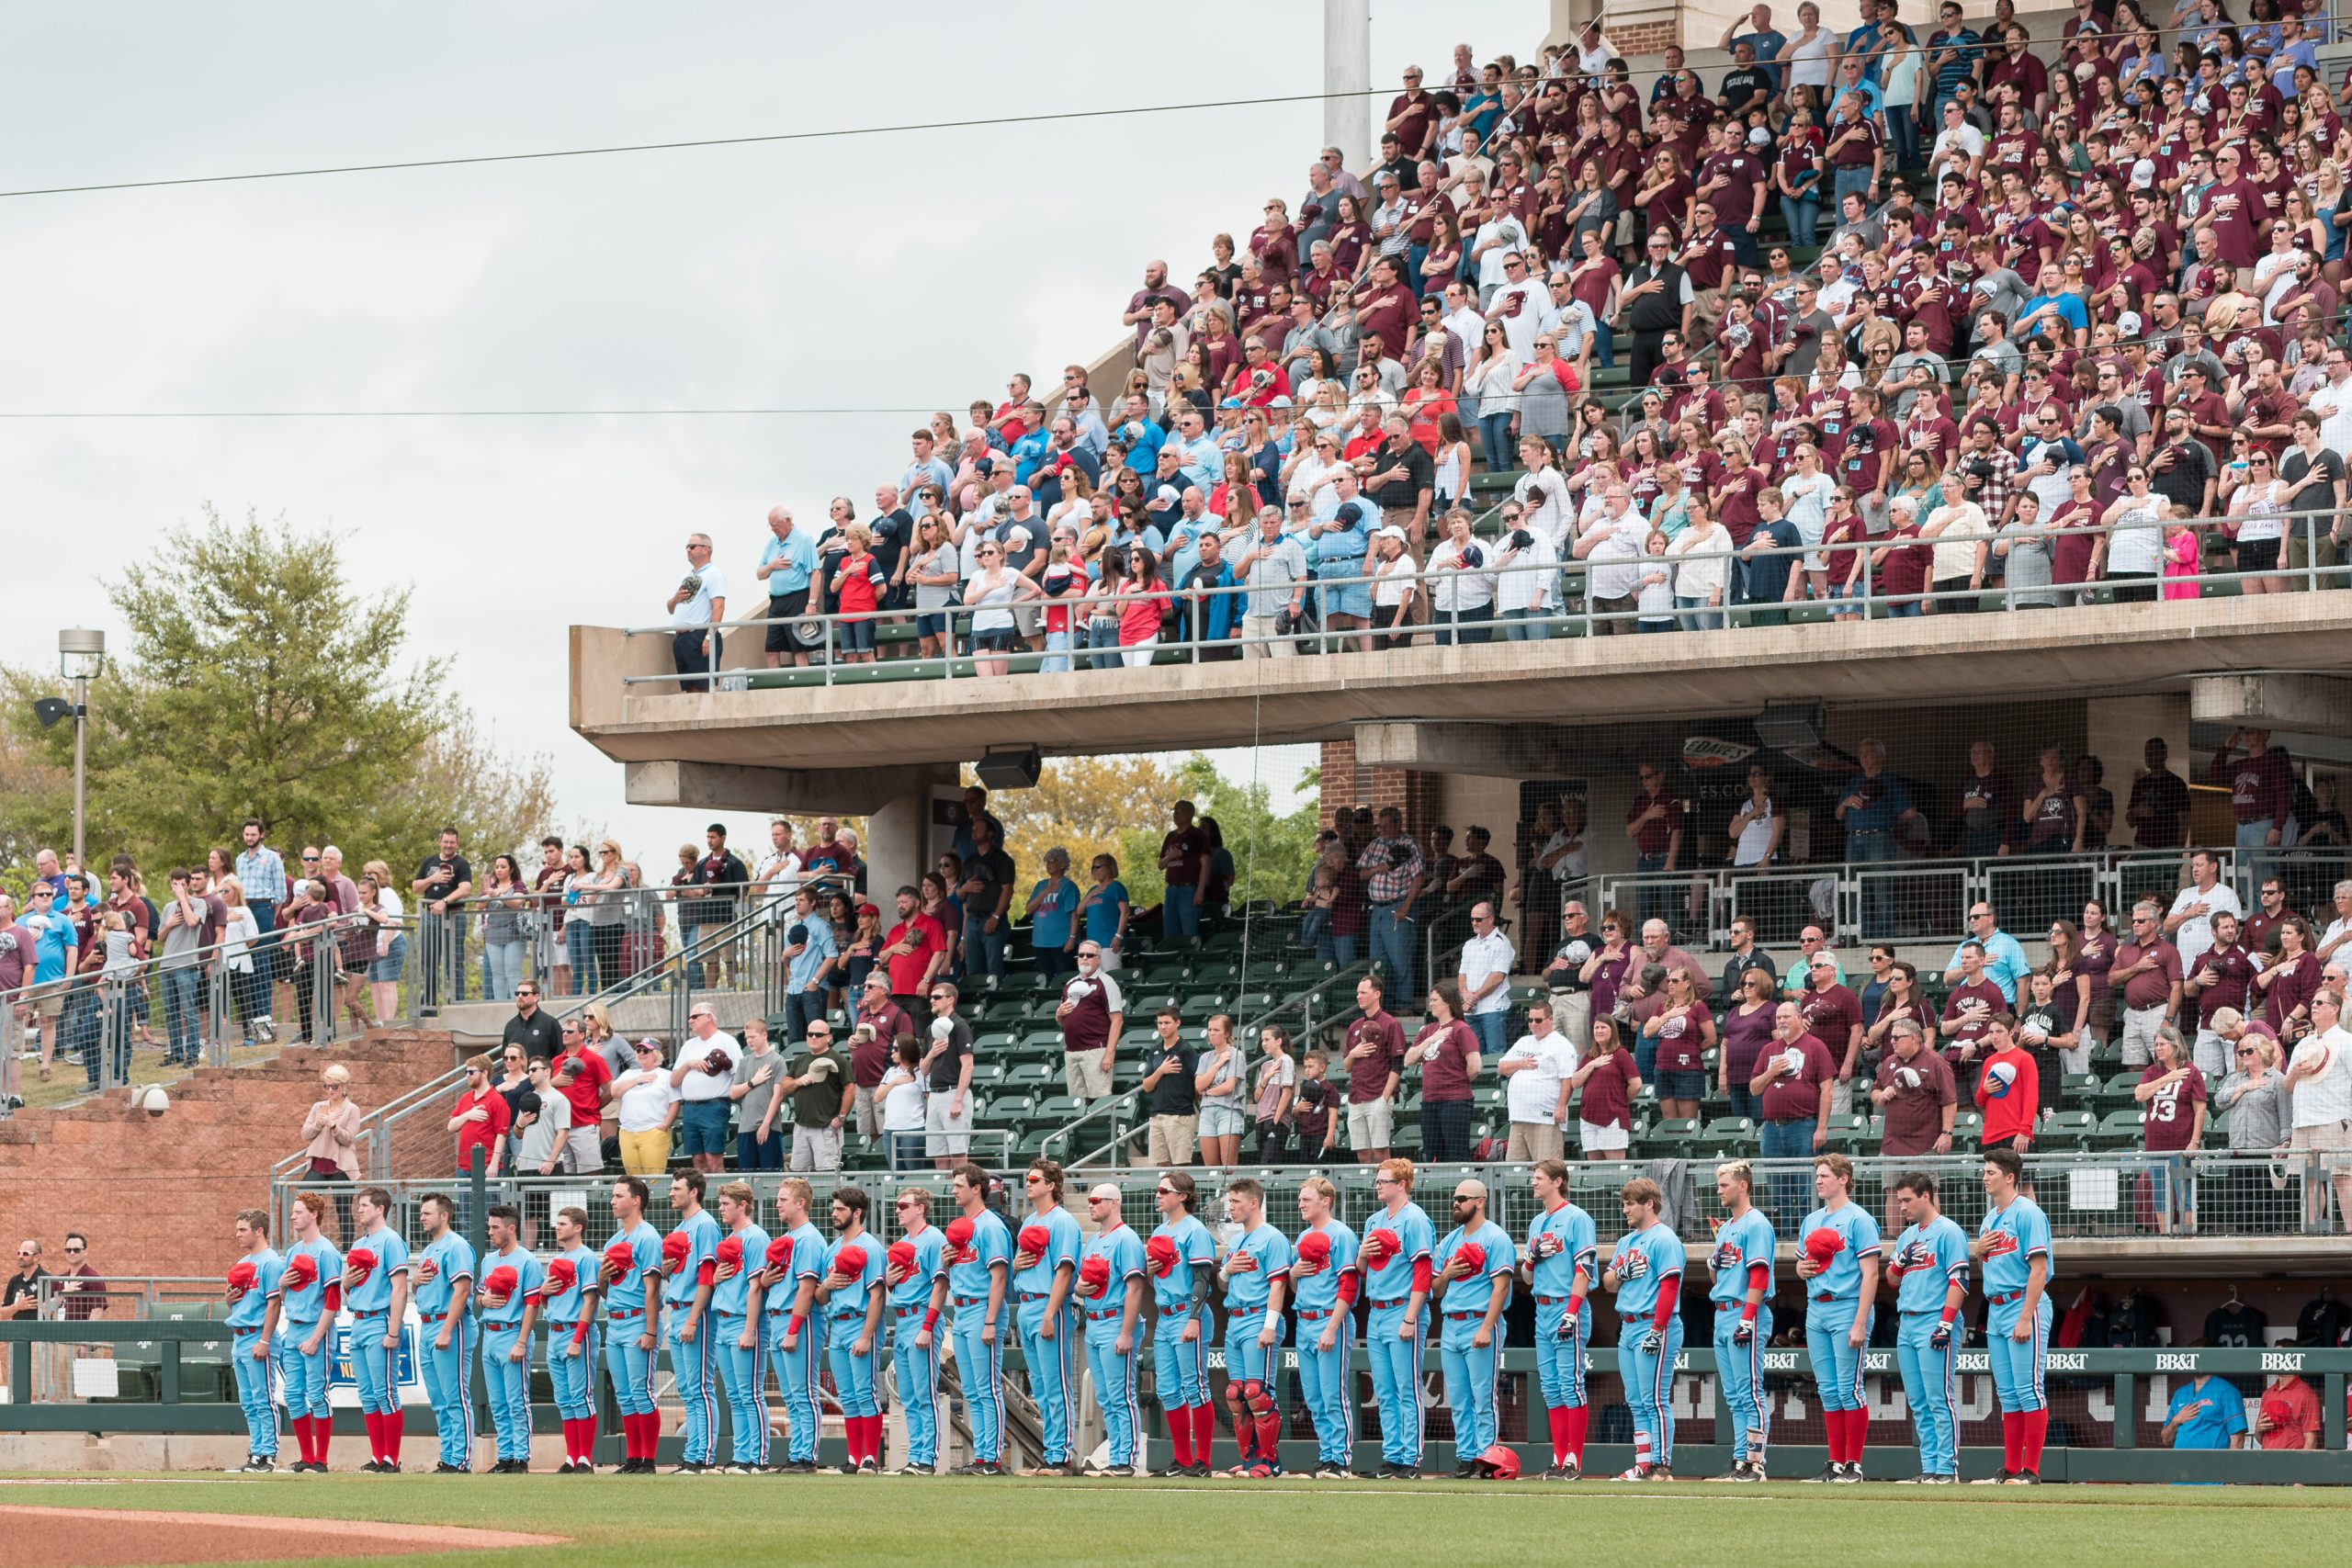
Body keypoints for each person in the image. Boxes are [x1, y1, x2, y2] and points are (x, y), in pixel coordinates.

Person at [1795, 1153, 1883, 1483]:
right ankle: (1834, 1463)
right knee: (1828, 1390)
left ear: (1843, 1178)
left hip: (1847, 1304)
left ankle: (1853, 1465)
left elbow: (1871, 1274)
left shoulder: (1859, 1219)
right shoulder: (1812, 1219)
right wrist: (1801, 1269)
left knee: (1850, 1389)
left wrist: (1860, 1320)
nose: (1819, 1180)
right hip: (1817, 1305)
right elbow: (1803, 1264)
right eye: (1817, 1175)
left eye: (1825, 1175)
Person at [1971, 1145, 2054, 1483]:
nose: (1985, 1177)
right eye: (1984, 1171)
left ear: (2009, 1177)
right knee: (2007, 1394)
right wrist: (1977, 1252)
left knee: (2028, 1389)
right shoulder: (1990, 1218)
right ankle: (2009, 1469)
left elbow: (2039, 1269)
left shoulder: (2028, 1212)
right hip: (1996, 1307)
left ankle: (2030, 1470)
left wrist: (2025, 1316)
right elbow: (1987, 1265)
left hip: (2024, 1304)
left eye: (1991, 1172)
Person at [1887, 1170, 1969, 1485]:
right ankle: (1929, 1467)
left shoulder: (1948, 1231)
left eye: (1907, 1200)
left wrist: (1946, 1323)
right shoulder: (1907, 1236)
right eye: (1899, 1201)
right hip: (1907, 1320)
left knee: (1938, 1397)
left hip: (1935, 1317)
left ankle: (1947, 1469)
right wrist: (1901, 1260)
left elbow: (1959, 1281)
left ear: (1926, 1196)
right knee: (1918, 1400)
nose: (1902, 1207)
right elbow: (1892, 1280)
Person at [1519, 1159, 1598, 1480]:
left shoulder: (1577, 1218)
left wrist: (1571, 1312)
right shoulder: (1537, 1221)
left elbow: (1585, 1269)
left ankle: (1573, 1462)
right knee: (1550, 1388)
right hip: (1542, 1306)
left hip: (1568, 1306)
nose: (1534, 1183)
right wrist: (1532, 1257)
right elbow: (1525, 1276)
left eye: (1539, 1178)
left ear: (1558, 1181)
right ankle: (1558, 1456)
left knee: (1570, 1385)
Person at [1605, 1176, 1687, 1483]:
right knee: (1635, 1400)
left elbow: (1669, 1287)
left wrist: (1658, 1328)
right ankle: (1643, 1464)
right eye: (1624, 1203)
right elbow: (1608, 1283)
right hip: (1627, 1326)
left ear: (1648, 1204)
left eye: (1630, 1204)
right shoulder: (1626, 1242)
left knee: (1654, 1399)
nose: (1625, 1209)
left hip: (1653, 1323)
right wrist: (1622, 1273)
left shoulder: (1663, 1238)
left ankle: (1661, 1465)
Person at [1432, 1178, 1515, 1479]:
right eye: (1455, 1198)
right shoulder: (1450, 1240)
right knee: (1458, 1397)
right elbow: (1436, 1288)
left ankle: (1487, 1458)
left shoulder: (1495, 1237)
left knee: (1483, 1396)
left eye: (1463, 1198)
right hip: (1451, 1323)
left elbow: (1502, 1286)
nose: (1456, 1203)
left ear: (1480, 1201)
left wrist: (1486, 1327)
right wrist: (1447, 1274)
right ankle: (1466, 1457)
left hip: (1480, 1321)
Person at [1360, 1156, 1436, 1479]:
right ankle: (1392, 1456)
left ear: (1401, 1184)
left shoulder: (1415, 1219)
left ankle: (1411, 1458)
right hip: (1376, 1310)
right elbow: (1361, 1271)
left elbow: (1423, 1272)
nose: (1378, 1185)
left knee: (1407, 1387)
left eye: (1384, 1181)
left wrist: (1410, 1317)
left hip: (1403, 1308)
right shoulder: (1374, 1220)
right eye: (1377, 1181)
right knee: (1385, 1389)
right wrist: (1362, 1253)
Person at [1213, 1178, 1294, 1479]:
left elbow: (1278, 1284)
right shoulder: (1236, 1241)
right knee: (1236, 1394)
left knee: (1257, 1392)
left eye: (1235, 1202)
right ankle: (1248, 1460)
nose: (1230, 1208)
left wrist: (1270, 1325)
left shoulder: (1272, 1238)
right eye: (1229, 1202)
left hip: (1259, 1317)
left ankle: (1269, 1461)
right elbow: (1223, 1283)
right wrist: (1226, 1269)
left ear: (1253, 1203)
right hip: (1235, 1317)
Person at [1283, 1175, 1360, 1480]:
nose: (1300, 1203)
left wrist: (1332, 1327)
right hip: (1304, 1320)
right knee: (1313, 1396)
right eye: (1300, 1199)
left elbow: (1349, 1285)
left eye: (1306, 1199)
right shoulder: (1302, 1238)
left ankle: (1341, 1459)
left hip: (1330, 1319)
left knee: (1333, 1393)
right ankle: (1327, 1455)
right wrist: (1293, 1272)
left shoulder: (1341, 1235)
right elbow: (1293, 1284)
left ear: (1325, 1201)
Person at [1068, 1182, 1147, 1478]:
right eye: (1088, 1200)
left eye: (1096, 1200)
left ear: (1114, 1203)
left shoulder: (1126, 1239)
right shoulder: (1094, 1242)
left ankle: (1127, 1459)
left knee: (1121, 1394)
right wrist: (1077, 1287)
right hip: (1095, 1321)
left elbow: (1135, 1288)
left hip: (1116, 1321)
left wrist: (1126, 1333)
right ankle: (1116, 1456)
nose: (1090, 1205)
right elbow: (1079, 1281)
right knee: (1104, 1396)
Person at [1144, 1171, 1218, 1477]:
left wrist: (1194, 1319)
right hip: (1164, 1315)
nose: (1159, 1194)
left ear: (1183, 1196)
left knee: (1195, 1385)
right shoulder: (1161, 1229)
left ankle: (1203, 1461)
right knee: (1168, 1390)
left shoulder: (1195, 1230)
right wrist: (1150, 1269)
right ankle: (1182, 1459)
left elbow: (1202, 1277)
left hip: (1188, 1312)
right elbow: (1159, 1277)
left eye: (1165, 1190)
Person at [1012, 1160, 1084, 1474]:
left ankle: (1061, 1455)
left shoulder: (1063, 1221)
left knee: (1057, 1385)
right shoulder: (1028, 1221)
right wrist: (1015, 1264)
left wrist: (1050, 1314)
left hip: (1049, 1304)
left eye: (1034, 1179)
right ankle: (1050, 1453)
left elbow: (1065, 1271)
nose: (1028, 1184)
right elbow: (1021, 1266)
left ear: (1051, 1185)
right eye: (1027, 1179)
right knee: (1039, 1387)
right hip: (1027, 1302)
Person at [816, 1186, 888, 1475]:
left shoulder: (870, 1246)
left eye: (840, 1209)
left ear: (856, 1212)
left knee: (864, 1391)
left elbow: (878, 1295)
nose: (834, 1213)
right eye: (833, 1209)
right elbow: (820, 1298)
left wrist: (866, 1336)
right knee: (847, 1395)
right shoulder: (832, 1250)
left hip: (860, 1321)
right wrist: (826, 1286)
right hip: (838, 1324)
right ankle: (854, 1457)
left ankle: (870, 1456)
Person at [760, 1179, 830, 1474]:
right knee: (790, 1396)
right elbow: (770, 1280)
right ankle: (796, 1453)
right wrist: (764, 1281)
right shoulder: (788, 1236)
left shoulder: (809, 1238)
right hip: (778, 1316)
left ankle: (807, 1457)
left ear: (801, 1203)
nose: (778, 1204)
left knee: (804, 1393)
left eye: (783, 1199)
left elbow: (806, 1289)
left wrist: (793, 1330)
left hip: (799, 1319)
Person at [702, 1182, 772, 1474]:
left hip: (745, 1320)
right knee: (734, 1395)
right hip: (724, 1319)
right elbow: (724, 1281)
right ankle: (741, 1455)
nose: (721, 1209)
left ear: (742, 1205)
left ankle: (758, 1458)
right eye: (720, 1204)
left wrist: (749, 1328)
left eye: (726, 1204)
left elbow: (756, 1286)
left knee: (750, 1393)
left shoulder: (756, 1237)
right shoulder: (731, 1238)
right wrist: (716, 1278)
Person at [880, 1186, 950, 1476]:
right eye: (897, 1205)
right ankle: (915, 1457)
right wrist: (888, 1279)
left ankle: (927, 1459)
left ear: (920, 1208)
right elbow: (894, 1284)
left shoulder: (934, 1239)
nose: (898, 1210)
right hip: (903, 1317)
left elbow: (940, 1284)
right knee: (907, 1394)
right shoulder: (902, 1242)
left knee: (924, 1393)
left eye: (903, 1205)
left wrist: (928, 1326)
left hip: (922, 1317)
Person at [598, 1178, 665, 1473]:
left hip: (638, 1318)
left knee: (641, 1391)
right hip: (615, 1321)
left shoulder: (647, 1237)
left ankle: (648, 1460)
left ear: (636, 1200)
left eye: (619, 1195)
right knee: (624, 1393)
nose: (613, 1201)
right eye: (612, 1196)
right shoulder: (614, 1241)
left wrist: (651, 1330)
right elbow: (605, 1291)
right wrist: (601, 1277)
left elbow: (652, 1288)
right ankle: (633, 1458)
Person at [409, 1191, 478, 1474]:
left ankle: (461, 1459)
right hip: (427, 1323)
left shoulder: (456, 1246)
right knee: (438, 1399)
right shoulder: (428, 1249)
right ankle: (448, 1456)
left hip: (450, 1325)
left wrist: (447, 1330)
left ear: (444, 1216)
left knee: (455, 1396)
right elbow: (422, 1287)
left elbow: (462, 1291)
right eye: (422, 1212)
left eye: (427, 1213)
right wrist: (414, 1282)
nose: (422, 1217)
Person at [344, 1186, 411, 1472]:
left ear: (380, 1208)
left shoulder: (391, 1241)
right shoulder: (360, 1243)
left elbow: (399, 1287)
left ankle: (391, 1459)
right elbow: (347, 1288)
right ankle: (377, 1455)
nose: (359, 1210)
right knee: (367, 1393)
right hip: (358, 1319)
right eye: (359, 1205)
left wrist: (393, 1332)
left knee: (385, 1392)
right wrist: (346, 1282)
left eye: (365, 1205)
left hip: (379, 1319)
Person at [475, 1203, 542, 1474]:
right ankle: (504, 1456)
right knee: (497, 1401)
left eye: (495, 1227)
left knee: (517, 1400)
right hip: (490, 1333)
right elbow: (478, 1297)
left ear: (511, 1229)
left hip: (513, 1332)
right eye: (490, 1227)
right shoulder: (489, 1261)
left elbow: (532, 1303)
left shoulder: (527, 1261)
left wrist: (522, 1341)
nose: (490, 1232)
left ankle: (520, 1457)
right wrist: (483, 1299)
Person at [537, 1204, 603, 1474]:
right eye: (557, 1223)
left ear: (578, 1228)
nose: (557, 1227)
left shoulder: (587, 1258)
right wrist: (542, 1292)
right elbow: (548, 1301)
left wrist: (577, 1338)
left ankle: (585, 1458)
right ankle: (571, 1456)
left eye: (563, 1223)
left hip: (578, 1332)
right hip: (555, 1331)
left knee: (581, 1396)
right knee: (563, 1399)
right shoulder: (556, 1260)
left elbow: (591, 1300)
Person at [2284, 990, 2352, 1232]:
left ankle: (2350, 1232)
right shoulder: (2304, 1043)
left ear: (2335, 1008)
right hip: (2303, 1121)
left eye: (2319, 1003)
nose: (2313, 1006)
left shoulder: (2347, 1041)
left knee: (2342, 1178)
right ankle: (2310, 1230)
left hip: (2333, 1119)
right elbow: (2287, 1086)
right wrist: (2295, 1073)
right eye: (2312, 1002)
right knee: (2309, 1181)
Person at [223, 1209, 285, 1472]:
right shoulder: (242, 1262)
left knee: (264, 1399)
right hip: (239, 1336)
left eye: (243, 1229)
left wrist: (265, 1340)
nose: (237, 1234)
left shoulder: (271, 1262)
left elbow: (274, 1304)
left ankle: (268, 1455)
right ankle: (255, 1452)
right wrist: (228, 1302)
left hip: (258, 1336)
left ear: (259, 1230)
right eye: (237, 1229)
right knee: (247, 1401)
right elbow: (237, 1302)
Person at [1405, 983, 1480, 1162]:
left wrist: (1456, 1082)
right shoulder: (1427, 1030)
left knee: (1456, 1153)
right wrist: (1431, 1039)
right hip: (1429, 1101)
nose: (1430, 1004)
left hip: (1455, 1102)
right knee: (1433, 1155)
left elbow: (1475, 1065)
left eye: (1434, 1000)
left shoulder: (1461, 1028)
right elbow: (1408, 1059)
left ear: (1447, 1003)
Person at [1498, 999, 1575, 1160]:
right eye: (1530, 1020)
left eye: (1538, 1020)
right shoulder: (1523, 1041)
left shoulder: (1562, 1045)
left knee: (1547, 1169)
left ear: (1550, 1019)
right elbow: (1502, 1068)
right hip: (1518, 1117)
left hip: (1546, 1119)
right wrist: (1521, 1063)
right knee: (1514, 1171)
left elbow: (1567, 1079)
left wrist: (1561, 1106)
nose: (1533, 1024)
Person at [672, 1005, 742, 1177]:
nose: (690, 1021)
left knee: (714, 1159)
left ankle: (721, 1199)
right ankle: (702, 1197)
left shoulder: (726, 1041)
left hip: (714, 1105)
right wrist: (689, 1064)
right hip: (689, 1107)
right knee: (697, 1160)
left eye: (695, 1016)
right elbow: (674, 1081)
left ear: (709, 1017)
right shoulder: (689, 1045)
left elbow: (740, 1074)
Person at [1342, 974, 1407, 1163]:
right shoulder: (1354, 1026)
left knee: (1380, 1152)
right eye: (1357, 993)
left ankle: (1387, 1187)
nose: (1358, 996)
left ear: (1377, 994)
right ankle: (1368, 1189)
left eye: (1363, 992)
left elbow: (1398, 1064)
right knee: (1362, 1153)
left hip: (1378, 1095)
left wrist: (1384, 1097)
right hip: (1355, 1097)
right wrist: (1353, 1053)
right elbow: (1346, 1066)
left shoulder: (1391, 1023)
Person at [1056, 942, 1125, 1114]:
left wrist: (1109, 1053)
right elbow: (1062, 1019)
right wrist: (1058, 1013)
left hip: (1096, 1051)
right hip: (1071, 1052)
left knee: (1100, 1103)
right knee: (1076, 1104)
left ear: (1098, 960)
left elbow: (1117, 1020)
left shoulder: (1106, 982)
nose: (1084, 958)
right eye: (1081, 955)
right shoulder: (1070, 983)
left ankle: (1102, 1137)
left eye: (1089, 955)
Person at [780, 1021, 854, 1175]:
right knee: (798, 1176)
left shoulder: (838, 1059)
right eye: (810, 1034)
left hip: (825, 1126)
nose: (813, 1037)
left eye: (819, 1034)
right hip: (801, 1125)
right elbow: (784, 1087)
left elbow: (850, 1089)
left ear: (828, 1038)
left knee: (827, 1174)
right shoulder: (800, 1060)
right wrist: (797, 1081)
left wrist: (841, 1117)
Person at [666, 532, 727, 693]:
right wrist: (676, 598)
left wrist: (709, 637)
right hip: (681, 638)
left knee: (704, 688)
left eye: (692, 546)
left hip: (700, 636)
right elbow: (670, 608)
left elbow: (718, 606)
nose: (688, 550)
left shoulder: (714, 574)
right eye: (687, 547)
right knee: (689, 689)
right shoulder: (686, 575)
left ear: (706, 549)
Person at [2165, 1367, 2249, 1450]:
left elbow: (2238, 1440)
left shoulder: (2227, 1391)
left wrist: (2228, 1464)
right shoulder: (2180, 1393)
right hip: (2180, 1460)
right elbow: (2166, 1440)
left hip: (2212, 1461)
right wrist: (2175, 1421)